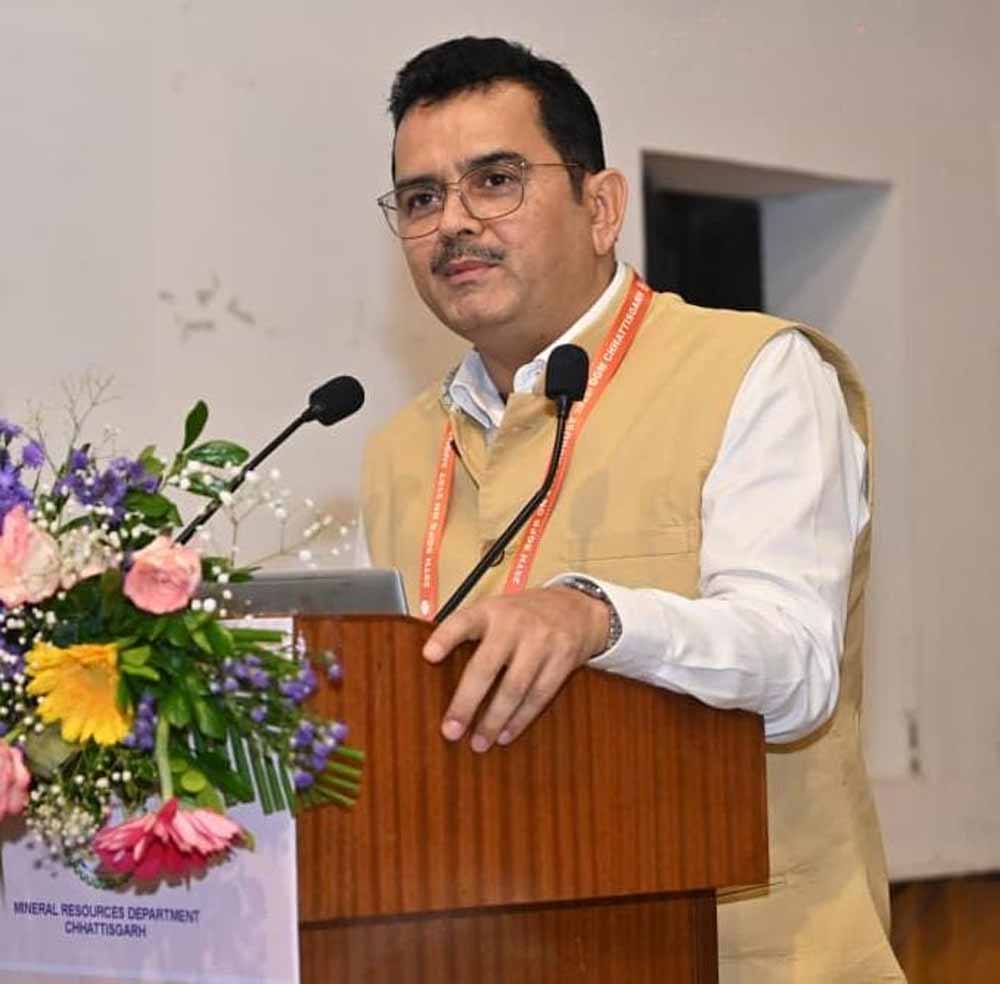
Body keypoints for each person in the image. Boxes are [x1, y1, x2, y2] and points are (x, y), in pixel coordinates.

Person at [362, 36, 904, 982]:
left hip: (748, 958)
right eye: (420, 199)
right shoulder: (399, 447)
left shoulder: (756, 372)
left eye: (495, 181)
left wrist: (596, 618)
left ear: (602, 207)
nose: (453, 223)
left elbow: (796, 666)